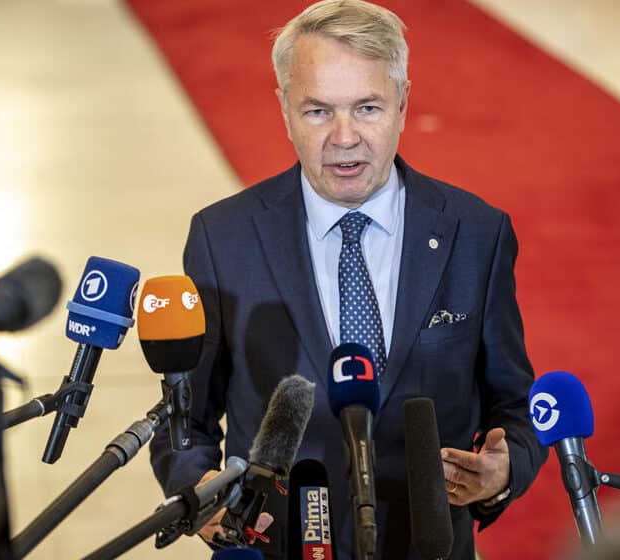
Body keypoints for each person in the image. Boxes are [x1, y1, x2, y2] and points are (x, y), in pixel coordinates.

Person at [149, 1, 547, 557]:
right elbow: (183, 417)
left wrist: (504, 470)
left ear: (403, 103)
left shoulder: (477, 233)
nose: (344, 137)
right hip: (275, 546)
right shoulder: (224, 239)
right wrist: (198, 488)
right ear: (284, 108)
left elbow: (516, 407)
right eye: (317, 111)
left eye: (367, 108)